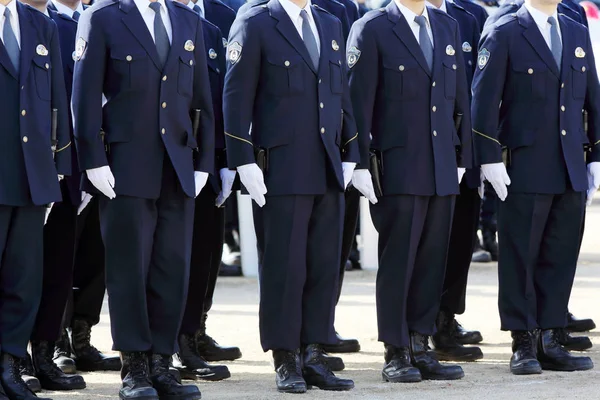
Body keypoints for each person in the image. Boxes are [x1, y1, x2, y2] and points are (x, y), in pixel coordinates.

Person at [72, 0, 215, 397]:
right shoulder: (102, 17)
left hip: (178, 166)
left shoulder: (188, 19)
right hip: (124, 166)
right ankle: (134, 366)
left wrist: (203, 159)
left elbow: (201, 96)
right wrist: (92, 160)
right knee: (129, 268)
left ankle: (161, 363)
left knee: (172, 267)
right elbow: (83, 96)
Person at [223, 0, 359, 392]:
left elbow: (340, 94)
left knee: (322, 265)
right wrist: (242, 159)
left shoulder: (329, 23)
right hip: (280, 168)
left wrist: (352, 150)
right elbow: (235, 95)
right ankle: (286, 357)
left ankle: (314, 353)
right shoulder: (256, 23)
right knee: (285, 267)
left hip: (327, 165)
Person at [348, 0, 472, 382]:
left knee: (433, 259)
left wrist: (464, 153)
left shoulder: (447, 26)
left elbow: (461, 97)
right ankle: (396, 349)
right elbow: (356, 103)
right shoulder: (372, 28)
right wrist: (358, 162)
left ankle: (421, 342)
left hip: (441, 165)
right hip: (398, 165)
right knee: (399, 260)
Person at [472, 0, 598, 375]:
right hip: (525, 165)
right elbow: (483, 100)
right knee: (520, 255)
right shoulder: (506, 31)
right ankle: (523, 339)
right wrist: (489, 157)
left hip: (570, 162)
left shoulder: (575, 29)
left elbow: (591, 93)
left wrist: (595, 154)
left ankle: (551, 335)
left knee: (561, 254)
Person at [0, 0, 71, 397]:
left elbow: (56, 97)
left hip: (31, 173)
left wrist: (57, 164)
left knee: (23, 279)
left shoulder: (38, 23)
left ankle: (9, 365)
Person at [20, 0, 86, 391]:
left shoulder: (63, 28)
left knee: (58, 266)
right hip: (18, 169)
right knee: (20, 271)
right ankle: (16, 357)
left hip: (62, 164)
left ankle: (43, 353)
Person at [173, 0, 237, 381]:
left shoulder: (215, 22)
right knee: (173, 260)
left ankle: (194, 331)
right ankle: (175, 343)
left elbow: (219, 100)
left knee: (206, 256)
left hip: (206, 163)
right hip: (165, 163)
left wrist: (225, 159)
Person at [424, 0, 484, 363]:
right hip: (420, 151)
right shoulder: (390, 13)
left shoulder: (470, 15)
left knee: (461, 235)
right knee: (424, 244)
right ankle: (418, 323)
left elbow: (475, 85)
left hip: (463, 145)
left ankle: (446, 319)